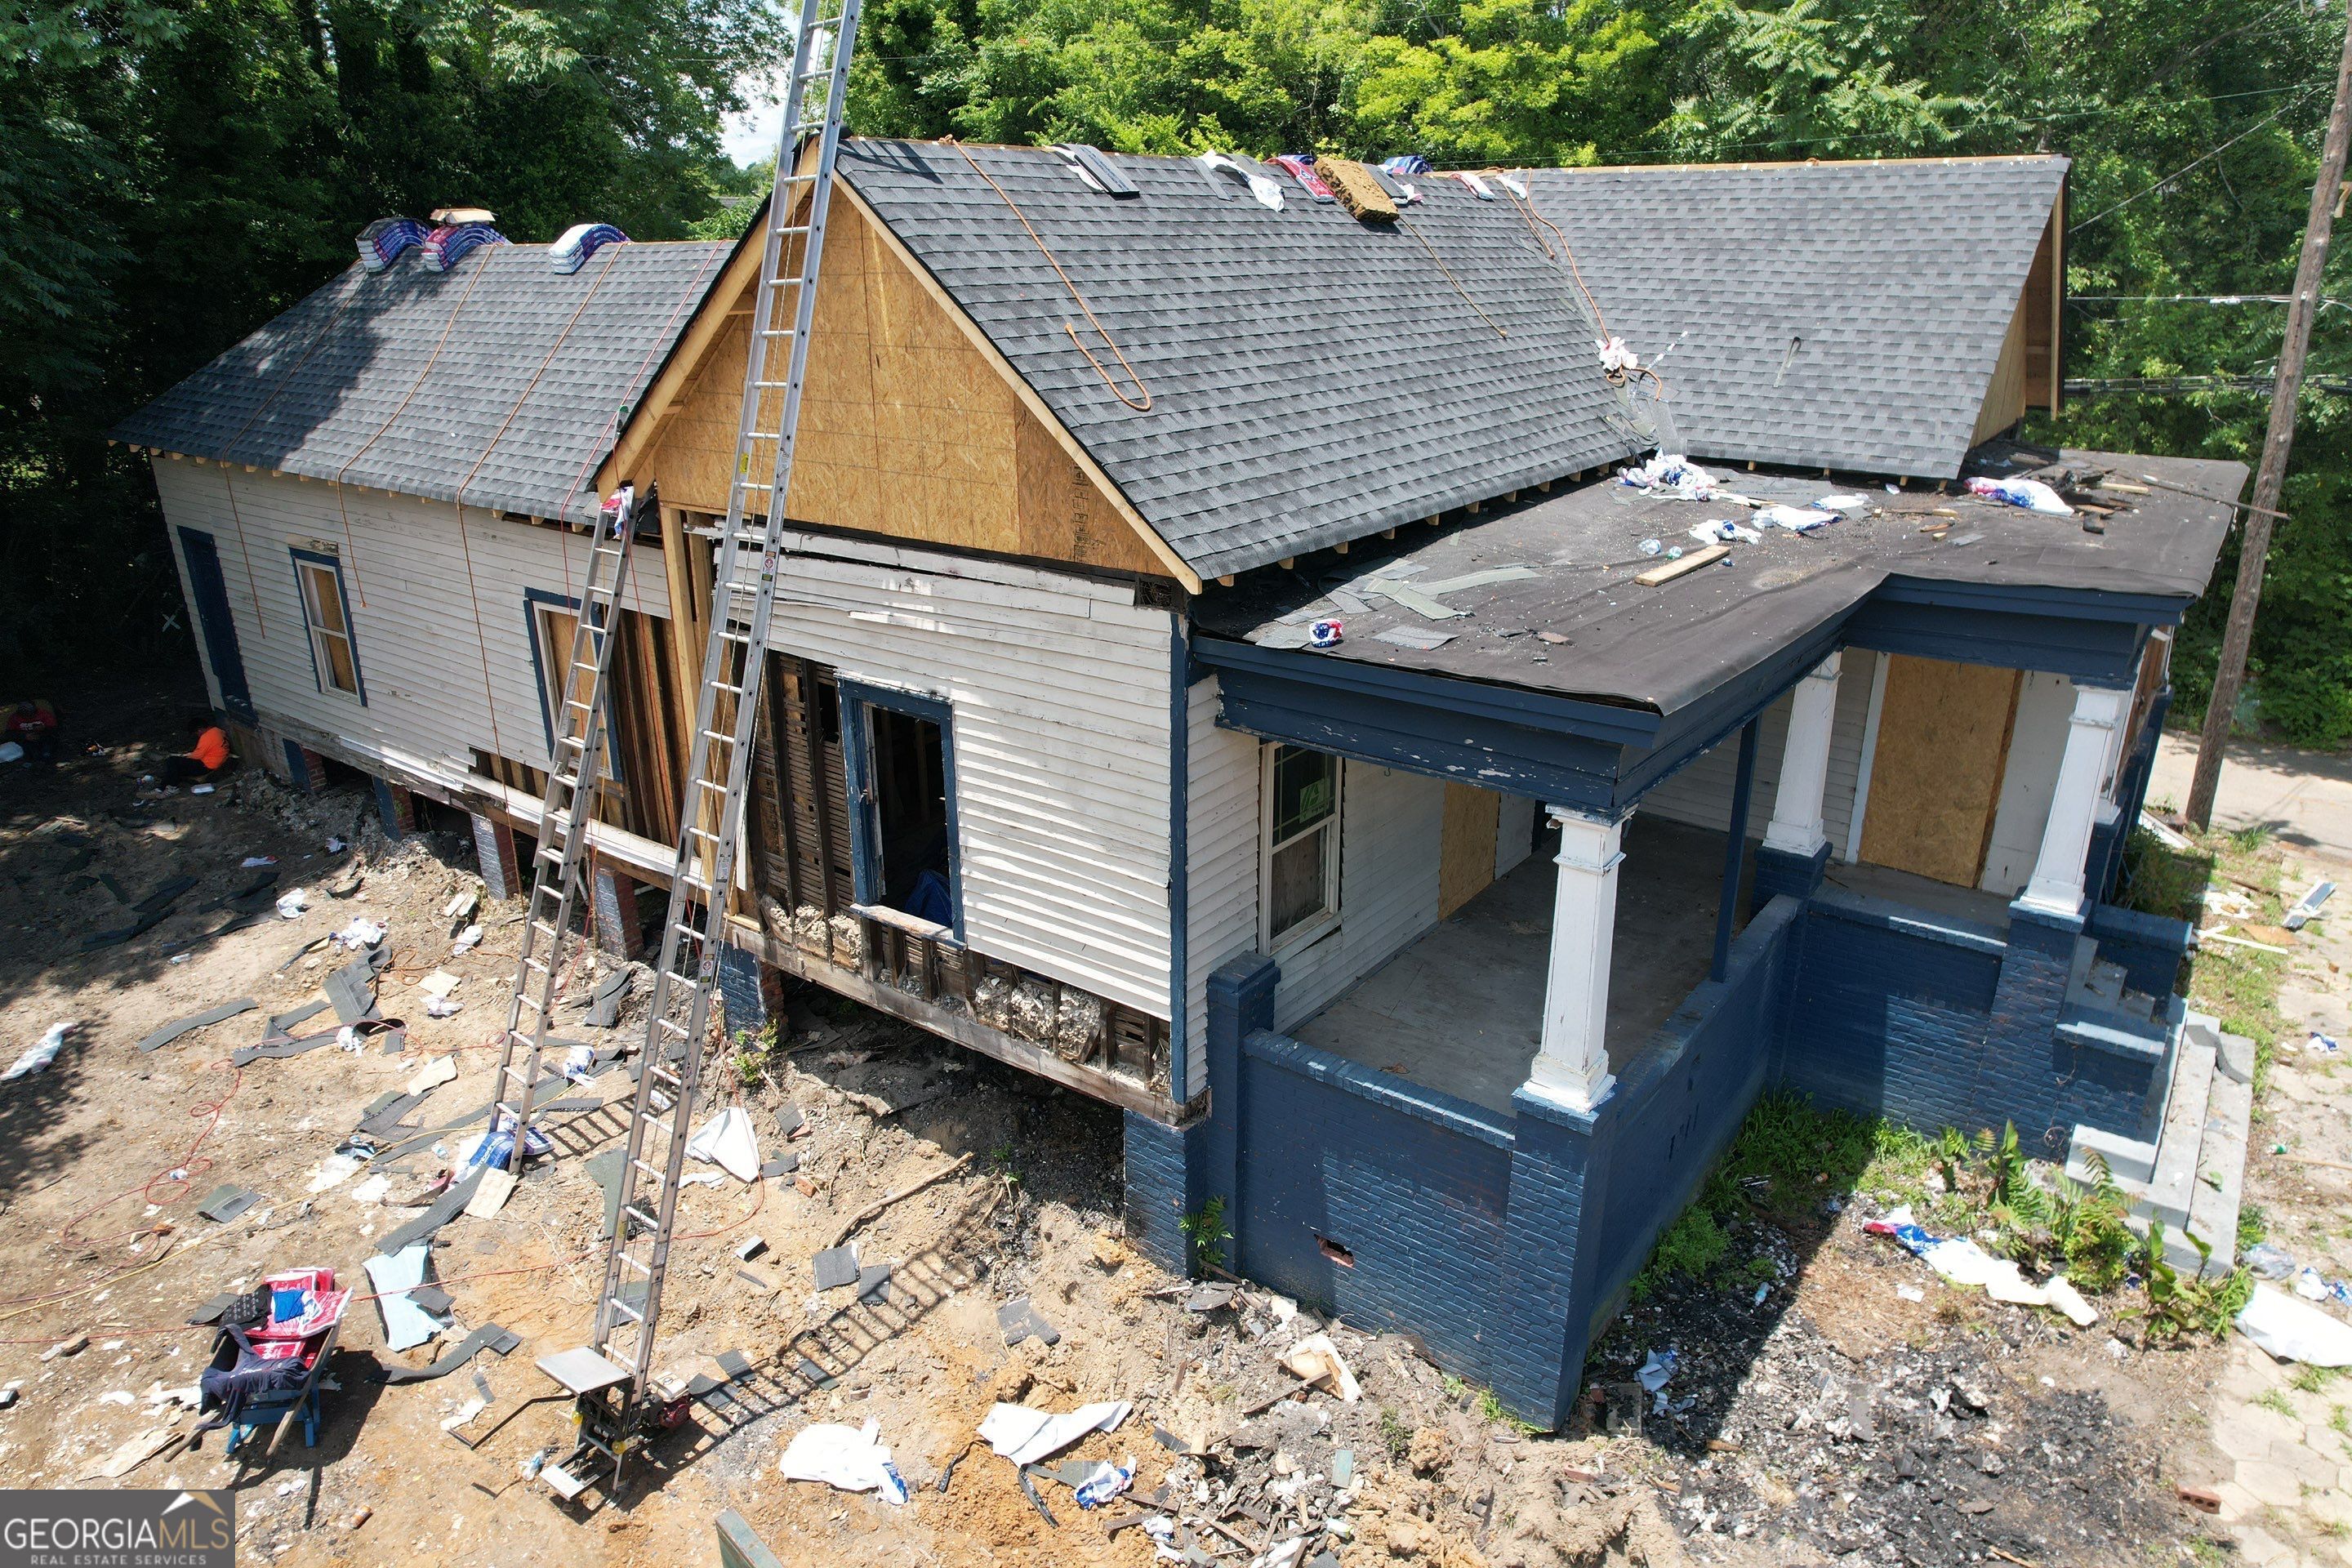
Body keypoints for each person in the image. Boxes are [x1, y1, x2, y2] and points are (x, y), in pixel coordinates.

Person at [159, 722, 232, 786]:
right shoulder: (218, 731)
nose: (197, 735)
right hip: (218, 760)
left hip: (207, 766)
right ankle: (169, 783)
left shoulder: (206, 737)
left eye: (196, 733)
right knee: (176, 769)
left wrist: (186, 755)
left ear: (199, 730)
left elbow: (197, 756)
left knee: (172, 761)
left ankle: (166, 787)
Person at [4, 699, 60, 765]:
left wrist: (44, 730)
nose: (28, 717)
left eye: (30, 714)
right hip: (25, 740)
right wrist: (24, 736)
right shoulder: (14, 718)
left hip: (43, 737)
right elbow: (9, 733)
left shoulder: (44, 714)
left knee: (48, 743)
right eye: (25, 714)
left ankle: (46, 758)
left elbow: (54, 729)